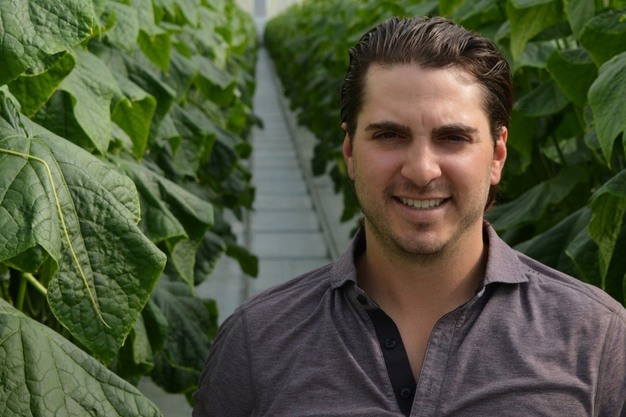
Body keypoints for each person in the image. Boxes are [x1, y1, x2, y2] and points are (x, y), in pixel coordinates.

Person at [193, 16, 626, 416]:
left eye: (452, 138)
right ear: (350, 151)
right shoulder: (256, 344)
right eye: (389, 135)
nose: (421, 170)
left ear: (497, 155)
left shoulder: (596, 340)